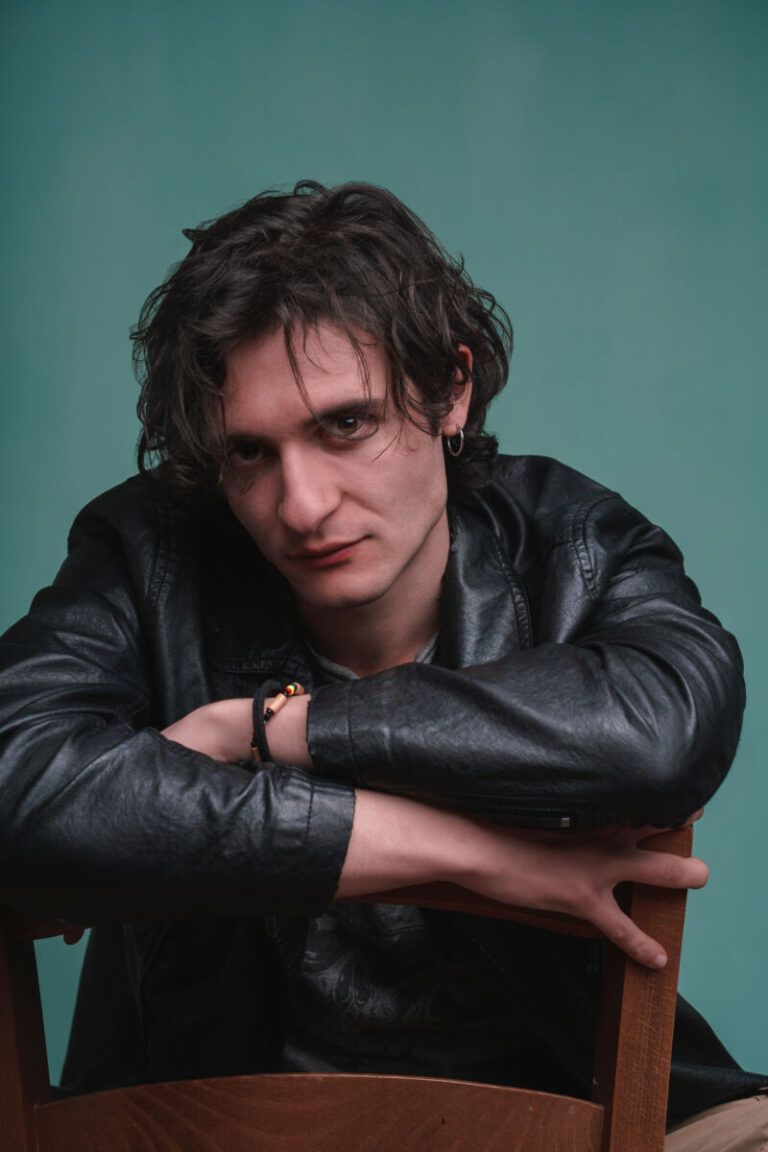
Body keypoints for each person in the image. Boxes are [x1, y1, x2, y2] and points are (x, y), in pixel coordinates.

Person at [0, 181, 764, 1145]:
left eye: (346, 425)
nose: (304, 505)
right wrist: (474, 856)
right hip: (218, 1127)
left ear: (451, 389)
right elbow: (14, 777)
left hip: (579, 1118)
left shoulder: (571, 545)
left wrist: (271, 730)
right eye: (250, 452)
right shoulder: (150, 556)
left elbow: (663, 732)